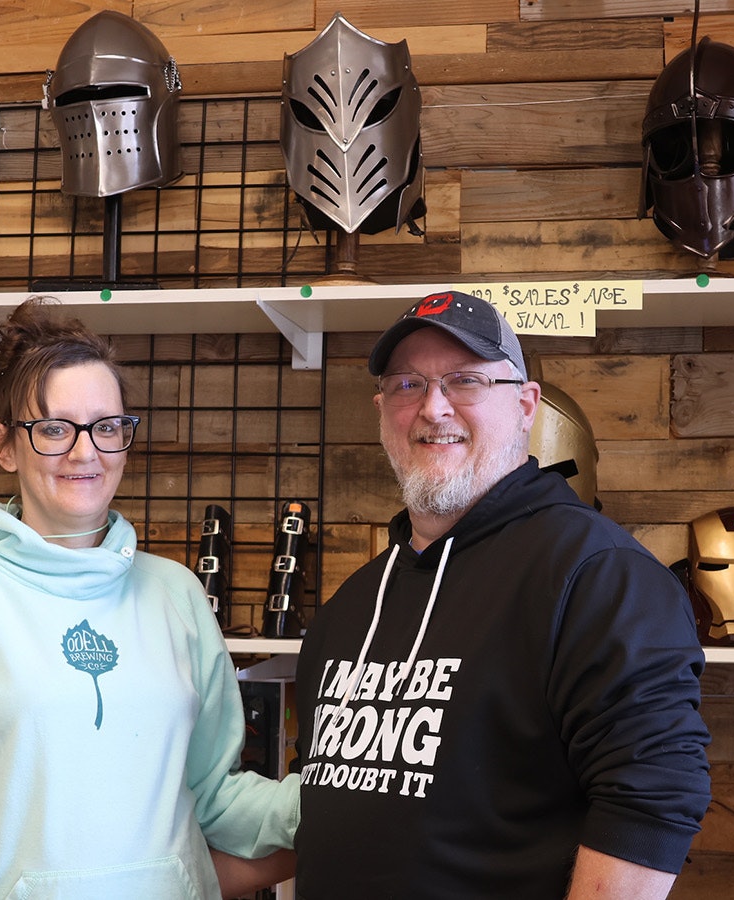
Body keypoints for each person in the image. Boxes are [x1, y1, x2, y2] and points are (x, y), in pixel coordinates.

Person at [0, 298, 299, 899]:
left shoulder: (178, 594)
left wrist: (331, 804)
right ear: (6, 445)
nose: (85, 452)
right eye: (54, 429)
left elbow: (214, 795)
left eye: (106, 426)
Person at [292, 290, 712, 898]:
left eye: (465, 381)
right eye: (407, 385)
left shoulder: (599, 575)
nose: (434, 408)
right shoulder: (350, 609)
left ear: (525, 405)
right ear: (381, 408)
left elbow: (651, 803)